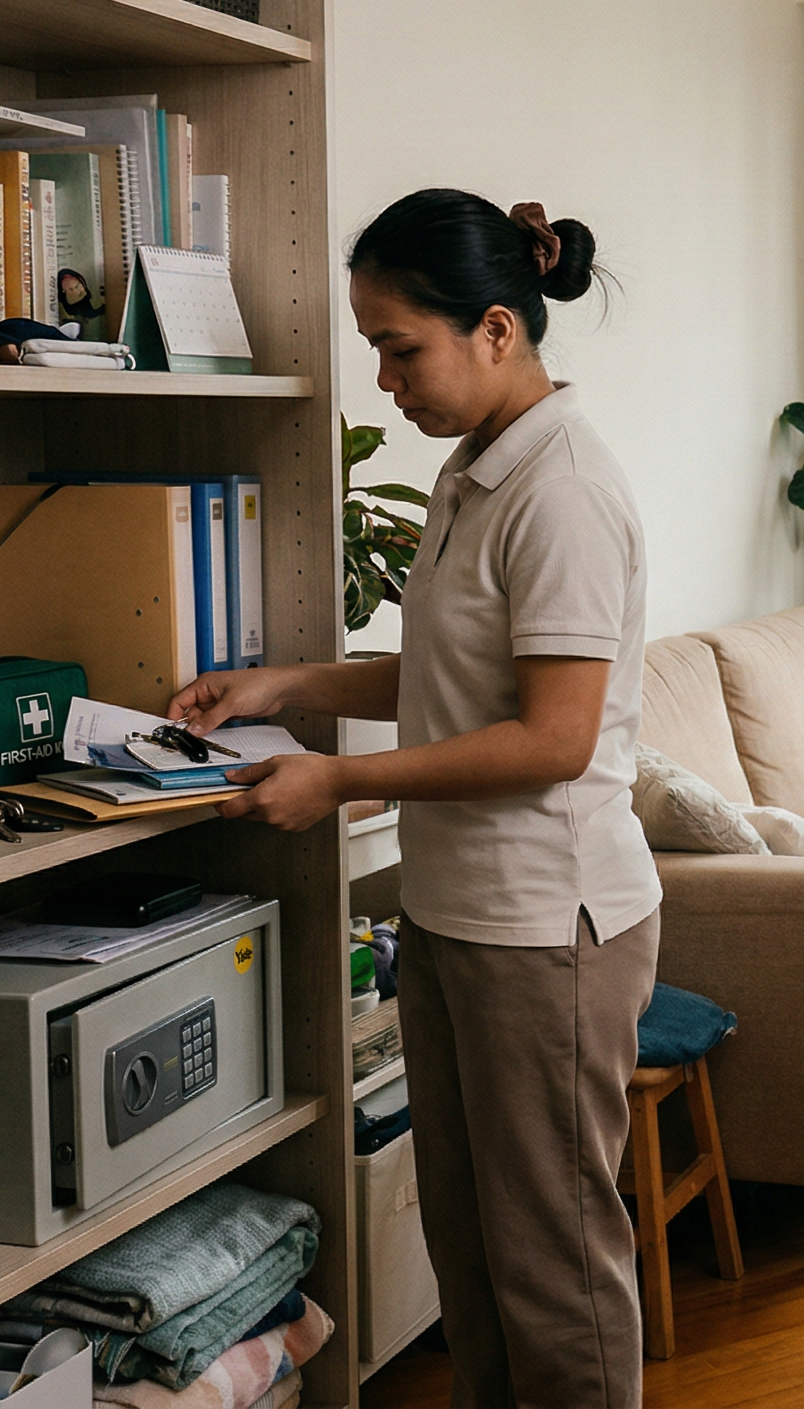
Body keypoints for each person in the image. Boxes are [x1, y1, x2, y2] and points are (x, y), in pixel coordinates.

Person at [167, 188, 656, 1409]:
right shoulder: (478, 468)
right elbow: (448, 672)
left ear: (497, 328)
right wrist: (286, 681)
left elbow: (552, 736)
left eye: (400, 347)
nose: (384, 379)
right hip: (457, 915)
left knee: (554, 1269)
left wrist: (337, 779)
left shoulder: (565, 494)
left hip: (547, 929)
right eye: (374, 347)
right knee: (474, 1255)